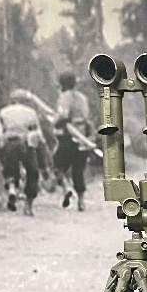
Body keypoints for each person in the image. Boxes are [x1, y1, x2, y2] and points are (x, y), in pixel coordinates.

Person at [0, 89, 43, 216]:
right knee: (32, 172)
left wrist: (0, 146)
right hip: (25, 143)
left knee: (10, 168)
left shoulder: (4, 112)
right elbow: (38, 133)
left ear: (12, 100)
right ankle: (28, 205)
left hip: (9, 142)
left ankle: (12, 189)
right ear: (25, 101)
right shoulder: (31, 112)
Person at [53, 71, 93, 211]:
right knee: (78, 170)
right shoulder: (82, 98)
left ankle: (66, 187)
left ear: (62, 84)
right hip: (83, 138)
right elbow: (86, 116)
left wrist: (55, 122)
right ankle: (81, 201)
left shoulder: (64, 97)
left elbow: (63, 116)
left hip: (68, 136)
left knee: (58, 166)